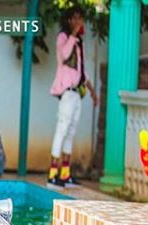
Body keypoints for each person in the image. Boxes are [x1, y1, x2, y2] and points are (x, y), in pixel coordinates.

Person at [47, 6, 98, 189]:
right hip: (67, 92)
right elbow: (64, 55)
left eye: (80, 18)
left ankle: (65, 174)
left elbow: (81, 71)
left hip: (77, 93)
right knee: (61, 130)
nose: (78, 22)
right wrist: (73, 35)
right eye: (75, 18)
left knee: (70, 132)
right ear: (69, 20)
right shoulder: (63, 38)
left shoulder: (78, 42)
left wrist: (92, 91)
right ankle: (52, 175)